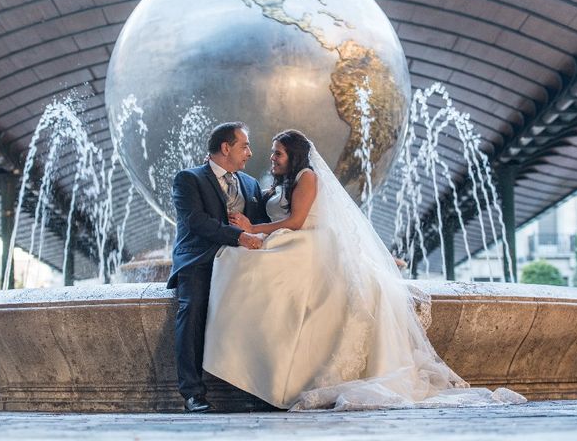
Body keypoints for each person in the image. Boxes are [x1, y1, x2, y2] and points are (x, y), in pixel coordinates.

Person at [203, 129, 526, 410]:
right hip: (290, 240)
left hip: (307, 241)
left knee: (253, 268)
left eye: (278, 152)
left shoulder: (307, 177)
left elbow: (297, 222)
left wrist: (253, 228)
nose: (271, 157)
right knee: (243, 263)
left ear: (294, 154)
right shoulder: (279, 182)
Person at [167, 122, 269, 413]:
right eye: (244, 145)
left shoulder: (250, 185)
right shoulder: (188, 179)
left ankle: (258, 387)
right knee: (192, 309)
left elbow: (259, 222)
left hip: (241, 265)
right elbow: (196, 222)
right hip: (199, 260)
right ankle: (192, 393)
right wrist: (240, 236)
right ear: (226, 147)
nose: (250, 152)